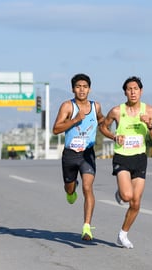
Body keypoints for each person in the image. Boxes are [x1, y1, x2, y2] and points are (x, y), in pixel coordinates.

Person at [99, 76, 152, 249]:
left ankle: (122, 234)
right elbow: (103, 127)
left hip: (140, 158)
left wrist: (150, 126)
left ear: (141, 91)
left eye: (136, 89)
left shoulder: (149, 111)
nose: (132, 92)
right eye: (129, 89)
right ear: (125, 92)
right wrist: (114, 136)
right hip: (122, 157)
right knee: (126, 196)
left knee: (136, 202)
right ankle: (120, 193)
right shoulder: (117, 111)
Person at [52, 73, 104, 241]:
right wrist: (74, 120)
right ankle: (71, 189)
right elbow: (56, 129)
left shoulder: (95, 107)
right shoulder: (68, 106)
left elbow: (102, 121)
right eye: (78, 86)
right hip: (70, 154)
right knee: (70, 187)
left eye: (85, 87)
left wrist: (115, 131)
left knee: (87, 188)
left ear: (89, 89)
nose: (82, 90)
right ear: (73, 89)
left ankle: (87, 226)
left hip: (87, 153)